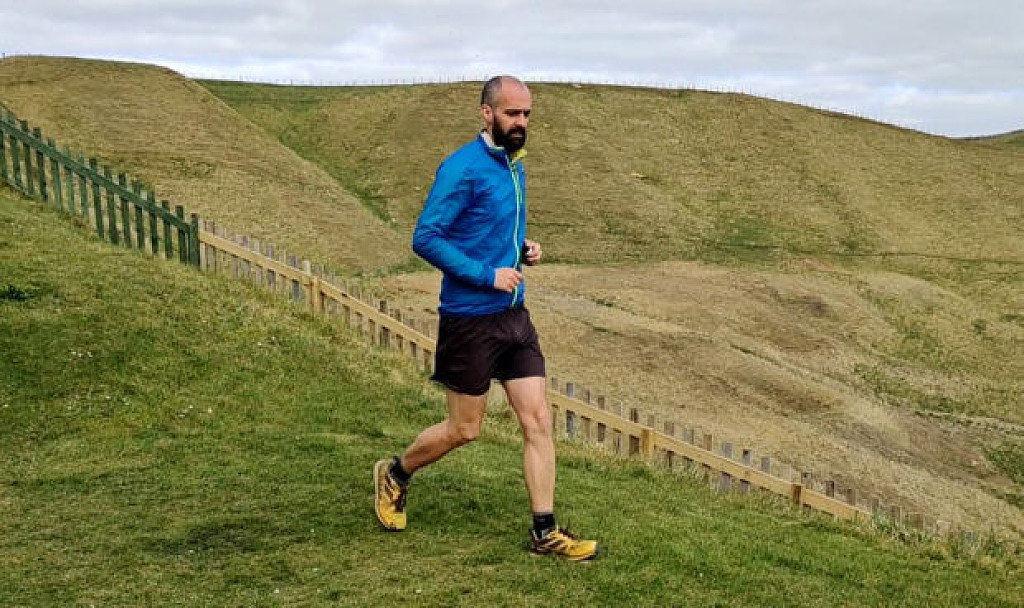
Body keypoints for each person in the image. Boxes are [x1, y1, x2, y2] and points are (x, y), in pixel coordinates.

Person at [374, 75, 598, 561]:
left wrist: (522, 249)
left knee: (537, 419)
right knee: (464, 429)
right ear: (487, 113)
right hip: (470, 318)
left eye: (527, 114)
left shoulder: (515, 165)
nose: (521, 122)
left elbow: (492, 231)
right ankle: (395, 473)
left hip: (513, 315)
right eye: (512, 113)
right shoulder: (462, 168)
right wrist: (486, 274)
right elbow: (426, 238)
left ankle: (544, 532)